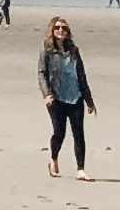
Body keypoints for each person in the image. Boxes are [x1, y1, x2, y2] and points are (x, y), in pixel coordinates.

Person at [38, 15, 92, 175]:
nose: (61, 30)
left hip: (75, 96)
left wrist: (89, 100)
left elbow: (81, 75)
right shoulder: (47, 49)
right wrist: (47, 94)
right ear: (52, 30)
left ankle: (81, 169)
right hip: (57, 97)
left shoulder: (74, 50)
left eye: (64, 28)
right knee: (59, 132)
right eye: (58, 28)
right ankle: (53, 159)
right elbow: (42, 72)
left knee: (79, 134)